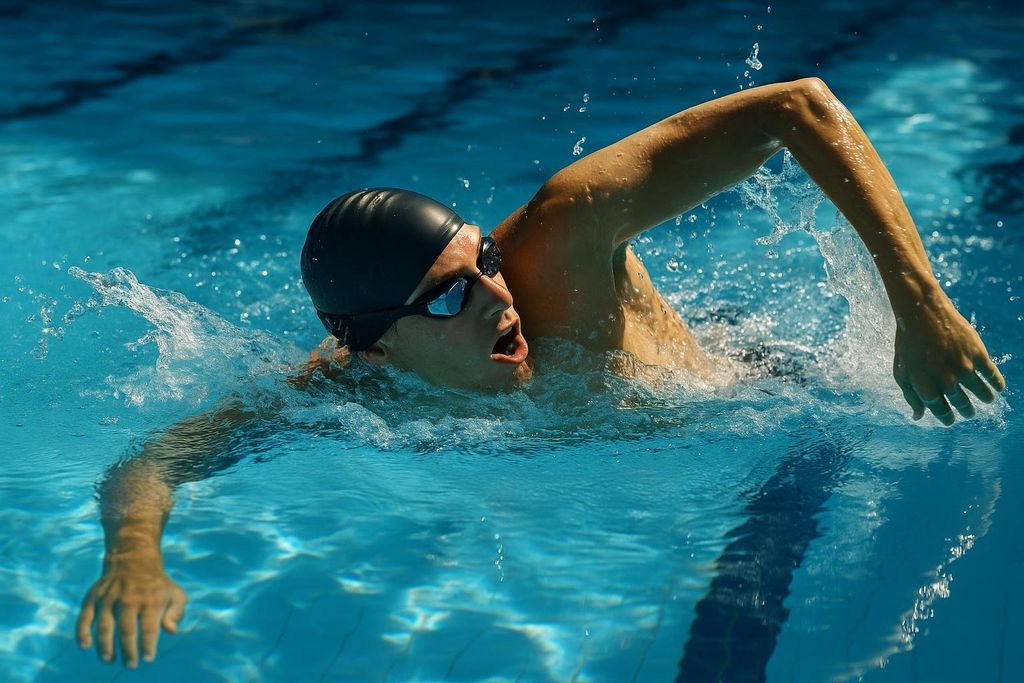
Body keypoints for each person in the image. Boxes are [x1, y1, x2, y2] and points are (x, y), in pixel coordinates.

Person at [76, 78, 1006, 668]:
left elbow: (794, 106)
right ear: (379, 346)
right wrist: (132, 559)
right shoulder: (349, 387)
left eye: (483, 259)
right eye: (449, 297)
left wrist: (917, 303)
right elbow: (152, 462)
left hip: (766, 393)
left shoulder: (557, 241)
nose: (495, 296)